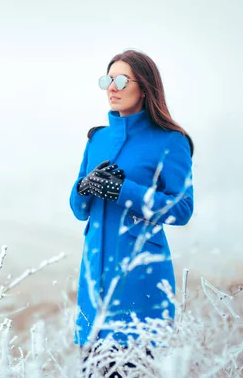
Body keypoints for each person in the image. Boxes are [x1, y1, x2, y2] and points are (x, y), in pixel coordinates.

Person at [69, 49, 195, 372]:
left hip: (140, 286)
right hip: (92, 287)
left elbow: (182, 207)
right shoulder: (97, 139)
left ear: (145, 86)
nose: (112, 87)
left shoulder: (171, 141)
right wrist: (83, 189)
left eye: (121, 79)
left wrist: (125, 190)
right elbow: (79, 210)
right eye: (107, 80)